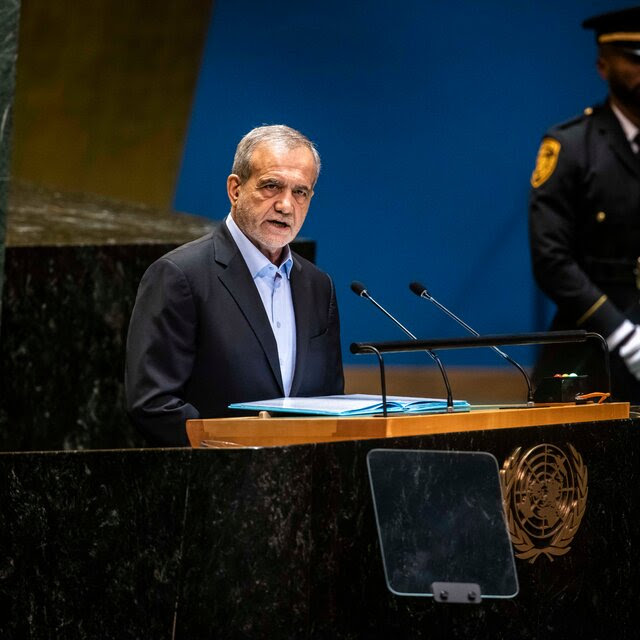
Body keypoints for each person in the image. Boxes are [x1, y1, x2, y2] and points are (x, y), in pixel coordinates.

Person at [125, 125, 344, 446]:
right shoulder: (179, 275)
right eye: (272, 186)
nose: (286, 205)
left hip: (299, 482)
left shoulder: (317, 285)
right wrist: (235, 452)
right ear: (235, 189)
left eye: (300, 192)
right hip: (213, 482)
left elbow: (330, 401)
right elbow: (152, 404)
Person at [529, 6, 640, 401]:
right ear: (603, 67)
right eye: (634, 59)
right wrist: (623, 333)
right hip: (590, 350)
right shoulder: (572, 145)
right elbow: (551, 258)